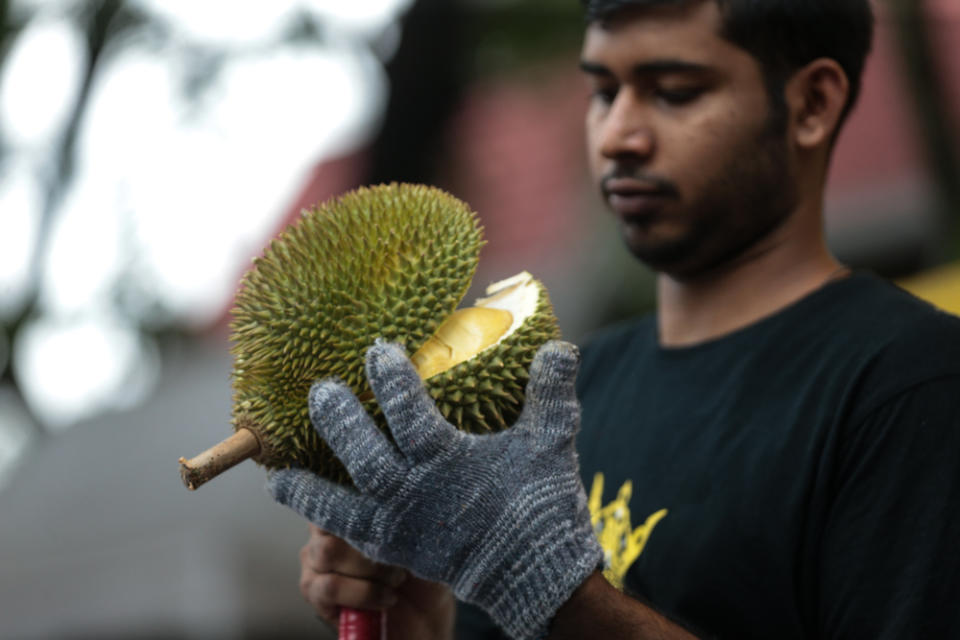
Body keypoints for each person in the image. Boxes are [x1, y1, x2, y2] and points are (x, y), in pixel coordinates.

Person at [269, 0, 960, 638]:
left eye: (675, 92)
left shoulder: (910, 383)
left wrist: (550, 588)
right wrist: (426, 623)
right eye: (604, 92)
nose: (618, 136)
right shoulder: (562, 393)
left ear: (812, 103)